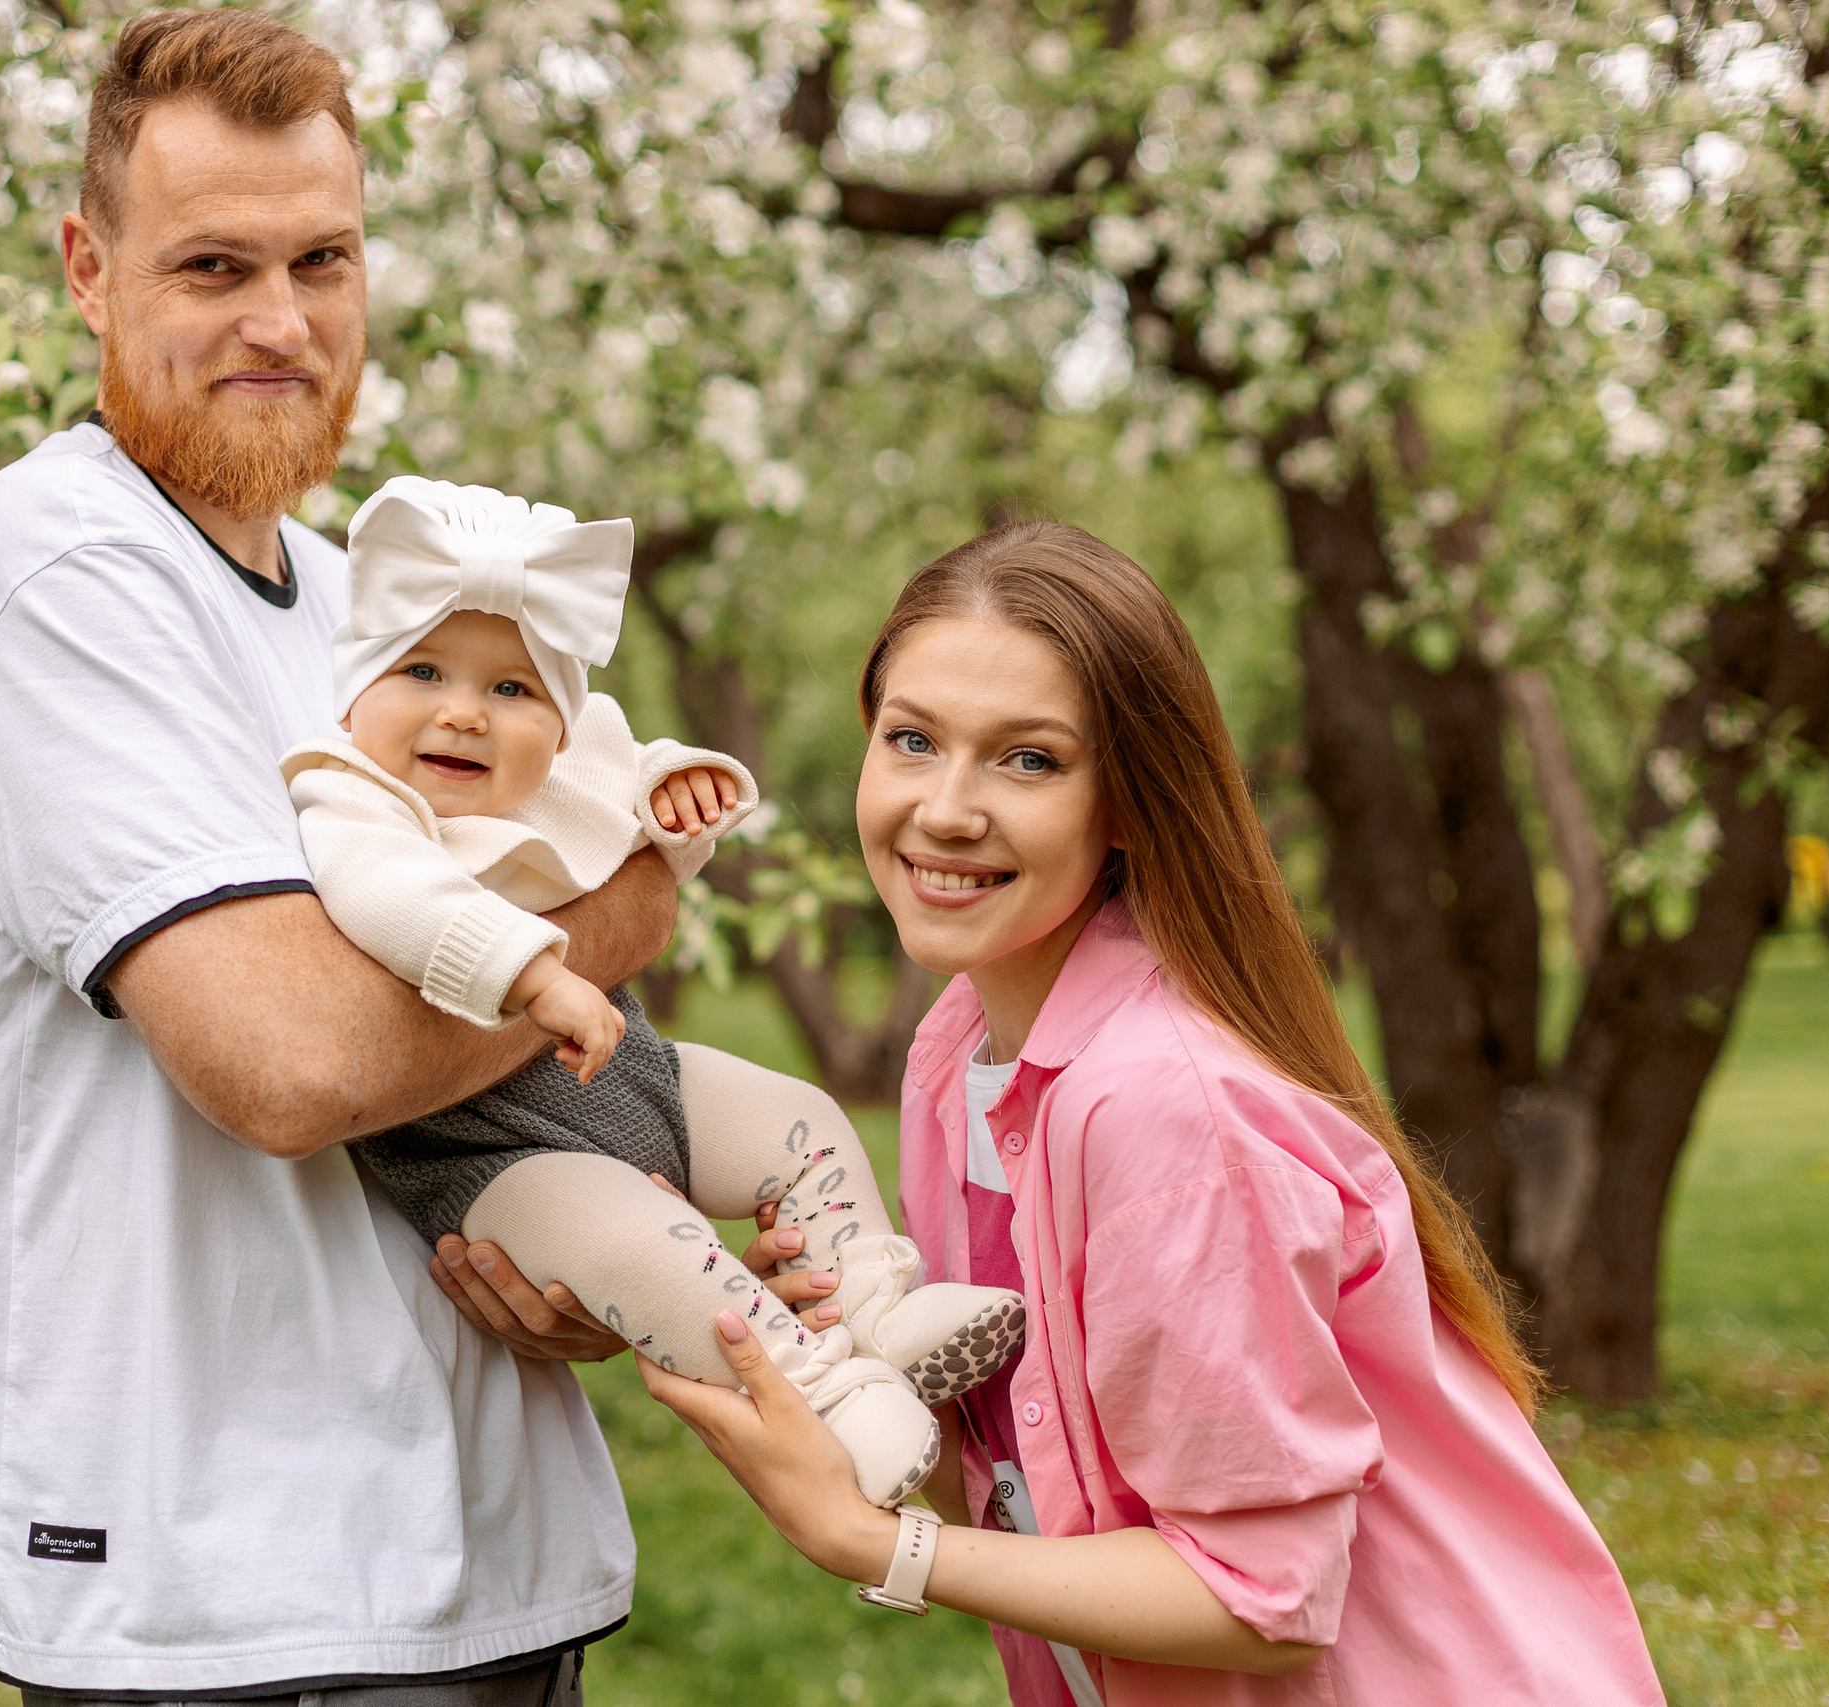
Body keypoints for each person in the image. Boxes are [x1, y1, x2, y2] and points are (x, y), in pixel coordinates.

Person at [0, 13, 660, 1703]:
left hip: (468, 1547)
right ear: (90, 268)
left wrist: (577, 1246)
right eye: (213, 265)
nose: (281, 323)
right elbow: (289, 1060)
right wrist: (619, 905)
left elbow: (456, 1045)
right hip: (223, 1592)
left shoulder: (367, 624)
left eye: (323, 261)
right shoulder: (58, 571)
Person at [638, 523, 1667, 1705]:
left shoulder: (1162, 1111)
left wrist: (874, 1546)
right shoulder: (953, 1056)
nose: (946, 810)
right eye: (911, 740)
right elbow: (1032, 1480)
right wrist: (852, 1377)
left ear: (1127, 802)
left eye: (1027, 760)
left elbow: (1262, 1601)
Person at [287, 476, 1027, 1507]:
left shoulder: (553, 771)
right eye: (422, 671)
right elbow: (393, 898)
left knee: (799, 1118)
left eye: (513, 691)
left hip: (628, 1068)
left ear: (554, 723)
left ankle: (871, 1297)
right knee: (652, 1250)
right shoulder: (348, 792)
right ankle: (823, 1392)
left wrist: (670, 790)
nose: (464, 712)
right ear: (355, 687)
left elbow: (618, 771)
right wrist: (536, 972)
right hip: (491, 1150)